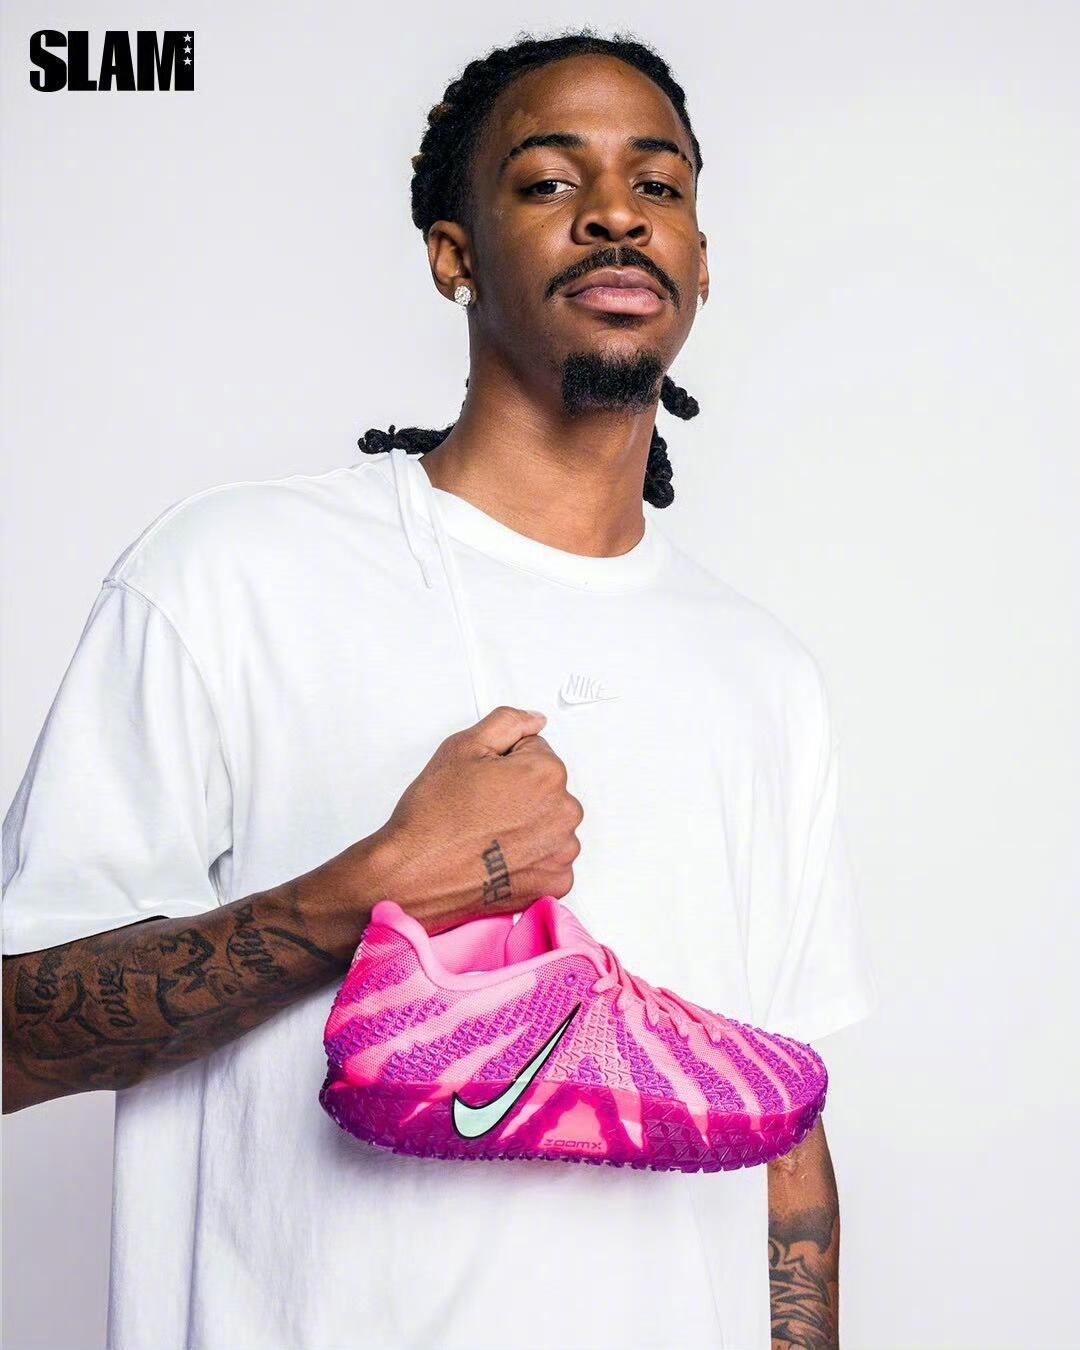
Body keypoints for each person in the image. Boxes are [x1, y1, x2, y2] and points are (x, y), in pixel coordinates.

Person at [2, 29, 879, 1350]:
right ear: (452, 254)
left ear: (700, 259)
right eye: (549, 180)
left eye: (657, 184)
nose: (615, 213)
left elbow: (787, 1148)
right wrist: (369, 889)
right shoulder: (231, 577)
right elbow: (13, 1035)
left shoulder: (764, 674)